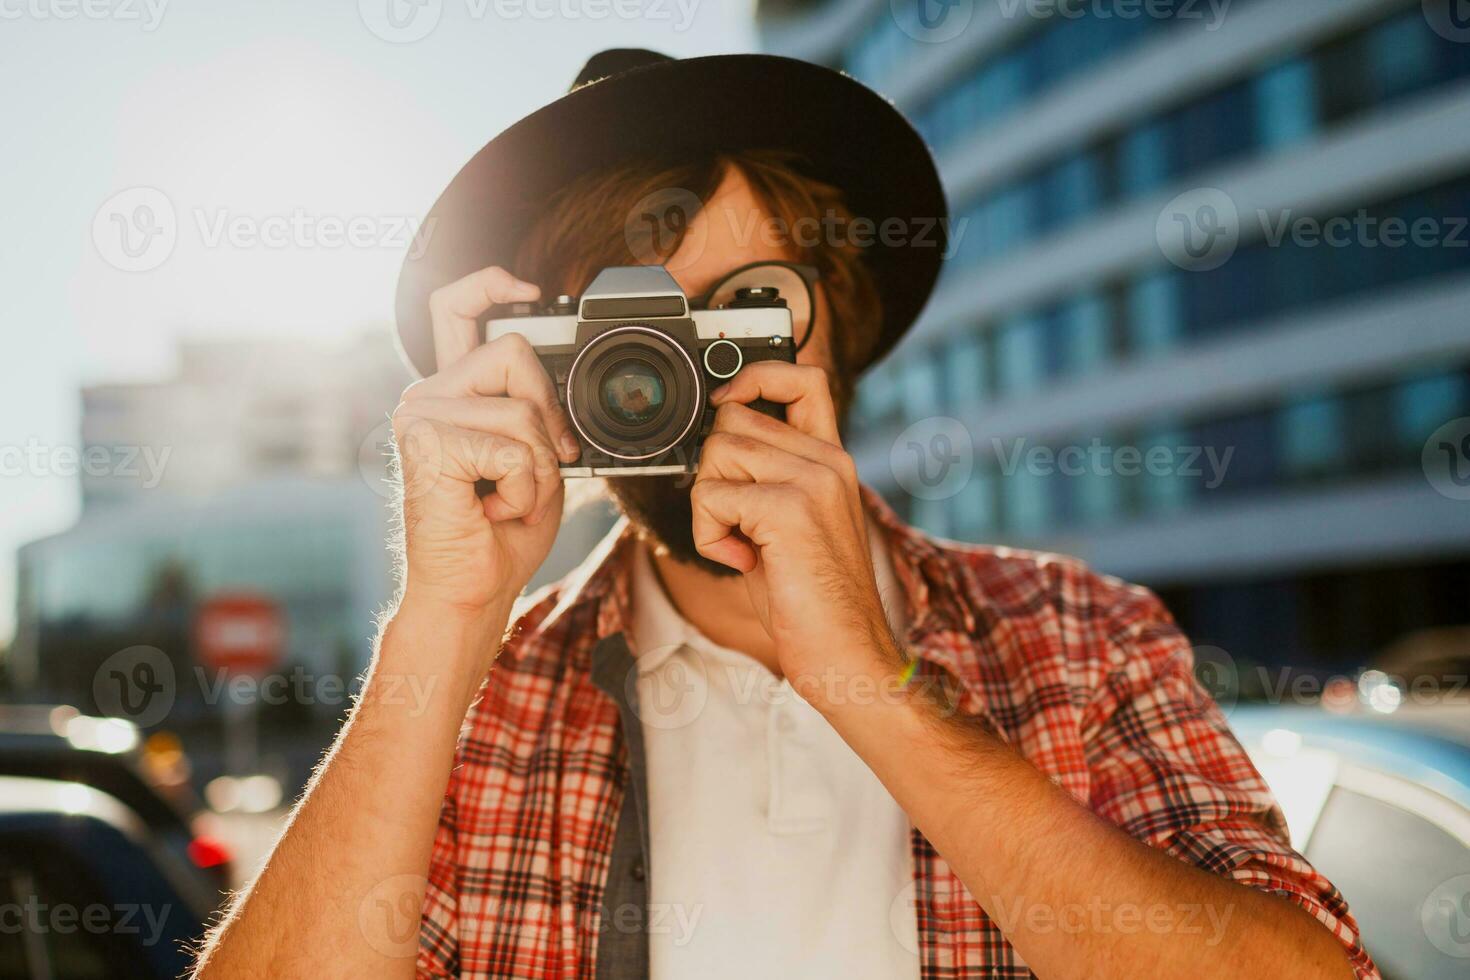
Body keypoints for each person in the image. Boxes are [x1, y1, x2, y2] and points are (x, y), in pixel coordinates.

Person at [191, 50, 1376, 979]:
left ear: (836, 332)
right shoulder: (474, 700)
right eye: (633, 335)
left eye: (744, 310)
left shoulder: (1084, 633)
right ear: (542, 370)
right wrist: (441, 624)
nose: (678, 378)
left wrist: (871, 679)